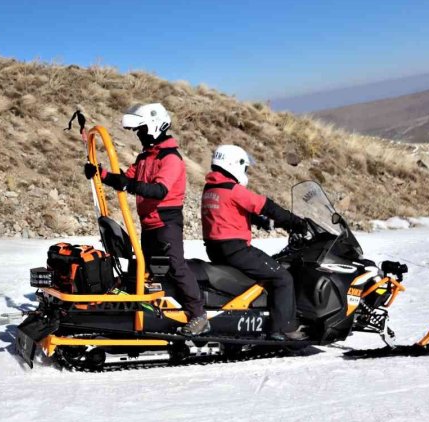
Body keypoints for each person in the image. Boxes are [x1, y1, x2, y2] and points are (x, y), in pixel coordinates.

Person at [84, 103, 208, 336]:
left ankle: (198, 315)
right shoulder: (145, 157)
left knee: (176, 266)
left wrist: (127, 184)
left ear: (153, 127)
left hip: (166, 223)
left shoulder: (170, 158)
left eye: (140, 130)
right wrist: (101, 174)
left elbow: (159, 190)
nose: (138, 135)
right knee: (146, 269)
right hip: (148, 223)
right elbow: (124, 178)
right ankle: (149, 312)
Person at [200, 144, 308, 341]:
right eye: (245, 167)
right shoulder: (233, 189)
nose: (245, 171)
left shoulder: (211, 188)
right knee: (282, 277)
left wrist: (259, 221)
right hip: (236, 250)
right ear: (234, 164)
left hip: (215, 249)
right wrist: (296, 222)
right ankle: (284, 328)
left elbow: (227, 213)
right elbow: (267, 206)